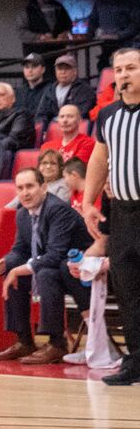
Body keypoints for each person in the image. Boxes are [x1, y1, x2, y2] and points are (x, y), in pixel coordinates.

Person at [0, 168, 93, 365]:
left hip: (80, 272)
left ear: (43, 187)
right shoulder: (22, 214)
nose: (25, 193)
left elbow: (55, 255)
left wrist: (18, 269)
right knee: (13, 271)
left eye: (30, 186)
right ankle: (24, 340)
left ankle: (56, 344)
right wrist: (4, 263)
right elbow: (19, 250)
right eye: (20, 188)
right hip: (56, 267)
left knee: (45, 273)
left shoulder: (57, 209)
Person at [81, 47, 140, 384]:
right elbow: (99, 160)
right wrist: (89, 201)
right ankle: (136, 360)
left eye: (130, 68)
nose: (122, 75)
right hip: (123, 214)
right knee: (128, 289)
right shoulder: (108, 115)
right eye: (118, 70)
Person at [0, 82, 36, 151]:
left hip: (10, 156)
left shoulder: (22, 115)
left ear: (12, 98)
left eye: (1, 95)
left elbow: (13, 141)